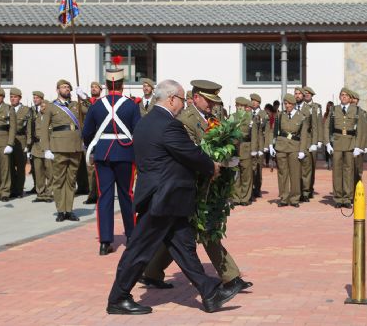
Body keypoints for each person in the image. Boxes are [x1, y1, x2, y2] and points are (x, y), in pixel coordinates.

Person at [106, 79, 240, 315]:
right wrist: (211, 166)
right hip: (163, 198)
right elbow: (189, 152)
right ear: (170, 99)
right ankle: (118, 298)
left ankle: (209, 293)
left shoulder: (147, 121)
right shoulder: (169, 124)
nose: (183, 102)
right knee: (139, 250)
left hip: (166, 197)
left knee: (184, 247)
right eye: (180, 98)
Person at [140, 80, 251, 293]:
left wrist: (229, 156)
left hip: (210, 184)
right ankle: (231, 277)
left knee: (178, 235)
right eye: (209, 101)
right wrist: (214, 161)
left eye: (214, 102)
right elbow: (190, 153)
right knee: (206, 230)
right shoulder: (185, 120)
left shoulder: (214, 118)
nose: (212, 106)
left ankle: (151, 272)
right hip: (193, 185)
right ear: (196, 97)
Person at [82, 64, 141, 255]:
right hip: (125, 153)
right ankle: (132, 237)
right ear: (122, 84)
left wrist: (94, 146)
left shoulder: (96, 105)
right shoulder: (131, 105)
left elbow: (87, 132)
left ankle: (105, 242)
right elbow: (137, 131)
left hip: (103, 154)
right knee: (126, 195)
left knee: (104, 197)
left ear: (106, 85)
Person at [40, 79, 88, 221]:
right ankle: (61, 210)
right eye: (63, 87)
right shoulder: (51, 107)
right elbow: (44, 129)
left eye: (68, 87)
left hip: (75, 146)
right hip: (59, 147)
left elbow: (91, 110)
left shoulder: (76, 105)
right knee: (59, 180)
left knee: (71, 180)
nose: (66, 89)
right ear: (57, 90)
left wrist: (84, 98)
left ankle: (69, 210)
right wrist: (46, 149)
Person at [324, 88, 365, 208]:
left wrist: (358, 146)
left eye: (346, 95)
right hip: (336, 143)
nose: (343, 97)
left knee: (349, 172)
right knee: (337, 172)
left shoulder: (357, 110)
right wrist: (327, 143)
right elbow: (326, 127)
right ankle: (338, 198)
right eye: (342, 95)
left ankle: (347, 198)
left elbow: (360, 130)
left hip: (350, 144)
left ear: (350, 98)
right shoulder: (333, 110)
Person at [231, 97, 258, 206]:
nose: (239, 108)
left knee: (246, 174)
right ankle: (236, 197)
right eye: (237, 106)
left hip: (246, 148)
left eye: (241, 106)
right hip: (234, 149)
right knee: (235, 175)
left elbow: (254, 135)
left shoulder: (250, 118)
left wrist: (254, 149)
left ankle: (245, 197)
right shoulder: (232, 117)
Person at [294, 87, 317, 203]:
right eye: (295, 94)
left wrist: (314, 143)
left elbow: (314, 127)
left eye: (299, 94)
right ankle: (297, 191)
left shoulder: (310, 109)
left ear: (303, 96)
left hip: (307, 142)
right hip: (294, 142)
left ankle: (306, 192)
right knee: (295, 169)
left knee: (306, 169)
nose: (297, 96)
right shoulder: (291, 108)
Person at [29, 94, 53, 203]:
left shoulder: (52, 118)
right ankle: (40, 194)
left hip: (48, 146)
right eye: (42, 106)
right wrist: (28, 146)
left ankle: (49, 194)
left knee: (50, 171)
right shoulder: (36, 117)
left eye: (45, 106)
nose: (43, 108)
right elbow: (30, 131)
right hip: (37, 146)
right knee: (38, 172)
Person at [9, 88, 32, 198]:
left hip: (21, 138)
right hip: (9, 140)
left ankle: (19, 190)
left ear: (20, 98)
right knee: (10, 166)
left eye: (15, 97)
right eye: (11, 97)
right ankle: (12, 188)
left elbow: (28, 128)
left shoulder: (26, 110)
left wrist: (28, 144)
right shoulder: (7, 109)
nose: (13, 99)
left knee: (20, 166)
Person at [302, 87, 323, 198]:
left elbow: (318, 124)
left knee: (312, 166)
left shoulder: (316, 107)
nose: (306, 95)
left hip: (312, 139)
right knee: (304, 166)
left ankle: (310, 187)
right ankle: (304, 189)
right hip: (303, 140)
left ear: (312, 95)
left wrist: (319, 140)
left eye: (308, 94)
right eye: (305, 94)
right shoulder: (299, 106)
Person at [349, 90, 367, 187]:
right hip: (347, 144)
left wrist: (365, 145)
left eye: (355, 99)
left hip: (359, 145)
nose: (353, 100)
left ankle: (357, 190)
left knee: (358, 169)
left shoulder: (362, 112)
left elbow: (365, 130)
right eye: (351, 98)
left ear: (357, 100)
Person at [249, 93, 268, 200]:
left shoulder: (263, 114)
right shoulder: (248, 113)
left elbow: (267, 130)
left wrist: (265, 146)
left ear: (259, 103)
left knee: (258, 169)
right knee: (250, 168)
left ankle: (257, 188)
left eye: (255, 101)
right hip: (249, 144)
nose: (253, 102)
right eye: (252, 100)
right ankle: (250, 189)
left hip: (259, 144)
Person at [322, 101, 334, 170]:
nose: (330, 107)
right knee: (327, 149)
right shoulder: (325, 114)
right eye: (329, 106)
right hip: (327, 134)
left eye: (331, 106)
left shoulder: (334, 113)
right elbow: (324, 123)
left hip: (332, 134)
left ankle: (332, 163)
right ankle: (328, 162)